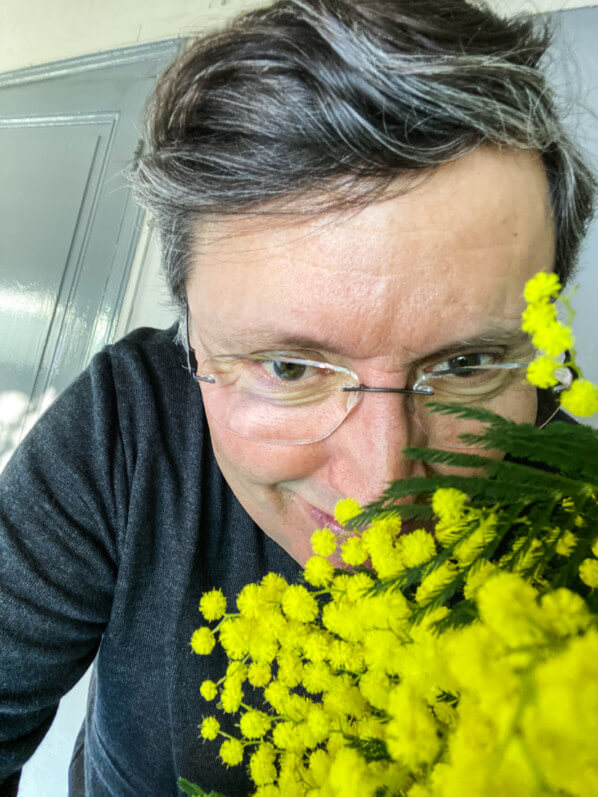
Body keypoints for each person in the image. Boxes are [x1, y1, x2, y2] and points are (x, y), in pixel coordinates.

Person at [0, 0, 595, 794]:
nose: (381, 489)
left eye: (467, 363)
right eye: (289, 369)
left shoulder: (571, 520)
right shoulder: (127, 429)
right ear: (192, 342)